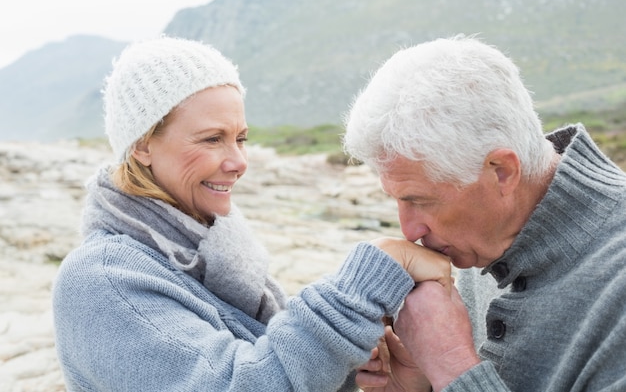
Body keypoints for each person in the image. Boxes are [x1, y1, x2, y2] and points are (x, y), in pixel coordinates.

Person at [51, 36, 452, 392]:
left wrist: (366, 372)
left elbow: (268, 360)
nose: (239, 161)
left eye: (240, 138)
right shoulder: (102, 280)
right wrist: (367, 280)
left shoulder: (219, 249)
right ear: (142, 146)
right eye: (212, 139)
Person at [343, 35, 626, 392]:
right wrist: (423, 385)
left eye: (421, 200)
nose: (409, 230)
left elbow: (459, 370)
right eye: (397, 200)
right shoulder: (491, 237)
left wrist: (451, 364)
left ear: (502, 171)